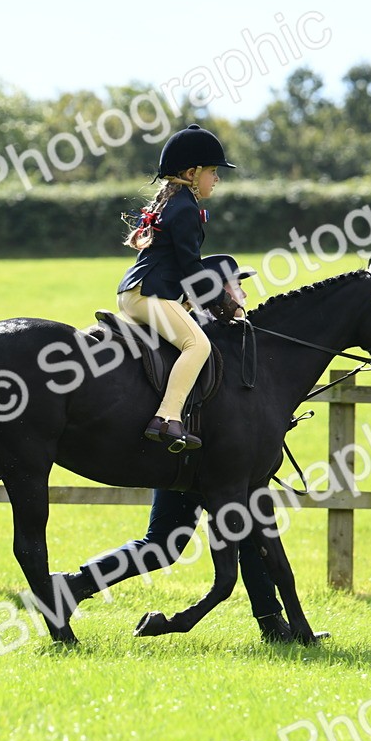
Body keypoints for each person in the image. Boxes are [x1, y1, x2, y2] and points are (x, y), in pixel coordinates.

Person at [64, 257, 329, 643]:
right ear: (213, 292)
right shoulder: (204, 341)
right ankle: (74, 585)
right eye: (236, 287)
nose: (243, 294)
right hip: (184, 462)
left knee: (231, 538)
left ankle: (274, 625)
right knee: (163, 547)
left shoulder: (229, 338)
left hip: (202, 462)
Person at [116, 124, 239, 452]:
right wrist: (222, 301)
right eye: (212, 171)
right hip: (147, 293)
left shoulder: (177, 202)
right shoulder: (185, 208)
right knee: (198, 345)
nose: (216, 179)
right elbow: (191, 267)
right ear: (191, 173)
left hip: (139, 291)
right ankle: (167, 418)